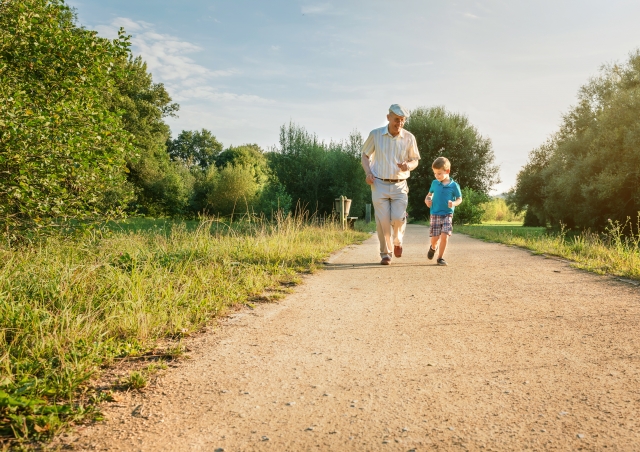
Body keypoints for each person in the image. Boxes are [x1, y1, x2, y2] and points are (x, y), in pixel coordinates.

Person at [361, 104, 420, 265]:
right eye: (396, 120)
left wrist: (409, 165)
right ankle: (386, 254)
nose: (399, 124)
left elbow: (415, 160)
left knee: (398, 219)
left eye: (402, 120)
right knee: (383, 221)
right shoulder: (375, 135)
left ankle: (398, 241)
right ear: (388, 118)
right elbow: (365, 155)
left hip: (400, 185)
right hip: (379, 183)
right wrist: (368, 173)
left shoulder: (409, 138)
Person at [424, 157, 462, 266]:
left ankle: (440, 258)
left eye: (439, 173)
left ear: (447, 171)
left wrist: (454, 203)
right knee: (435, 238)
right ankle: (433, 247)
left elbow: (459, 199)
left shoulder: (454, 186)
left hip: (447, 214)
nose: (437, 176)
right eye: (435, 173)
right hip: (435, 213)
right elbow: (429, 195)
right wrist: (427, 200)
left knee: (445, 235)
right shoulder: (434, 183)